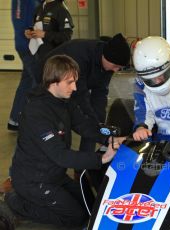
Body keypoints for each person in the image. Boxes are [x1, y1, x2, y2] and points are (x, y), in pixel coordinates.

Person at [4, 55, 124, 228]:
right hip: (33, 181)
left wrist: (109, 138)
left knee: (91, 207)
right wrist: (101, 159)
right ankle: (15, 203)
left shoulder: (64, 101)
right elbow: (61, 156)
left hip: (54, 175)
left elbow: (84, 125)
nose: (75, 87)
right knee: (75, 218)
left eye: (75, 81)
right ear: (54, 82)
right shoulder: (36, 113)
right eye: (69, 82)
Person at [37, 33, 130, 179]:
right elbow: (80, 96)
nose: (116, 70)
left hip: (74, 85)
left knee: (93, 121)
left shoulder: (108, 65)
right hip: (47, 79)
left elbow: (100, 94)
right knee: (58, 123)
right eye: (116, 66)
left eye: (120, 67)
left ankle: (81, 169)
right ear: (106, 57)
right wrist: (94, 124)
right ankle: (25, 173)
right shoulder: (80, 56)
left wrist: (99, 125)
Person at [7, 0, 40, 132]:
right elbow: (20, 21)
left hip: (29, 45)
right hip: (28, 46)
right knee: (38, 82)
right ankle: (31, 122)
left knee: (26, 82)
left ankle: (15, 119)